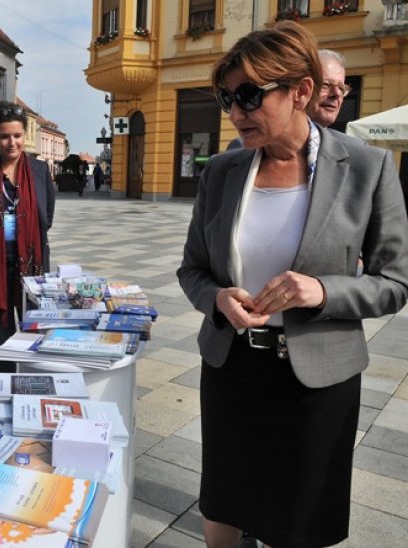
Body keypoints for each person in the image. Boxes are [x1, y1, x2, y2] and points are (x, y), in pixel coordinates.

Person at [177, 22, 408, 548]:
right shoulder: (222, 172)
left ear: (300, 91)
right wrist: (216, 299)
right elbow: (191, 269)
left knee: (298, 520)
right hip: (232, 368)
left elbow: (395, 282)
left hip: (317, 381)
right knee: (225, 499)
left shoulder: (367, 168)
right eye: (226, 98)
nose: (235, 112)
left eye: (249, 96)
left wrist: (322, 293)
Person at [0, 101, 56, 373]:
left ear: (24, 136)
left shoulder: (39, 171)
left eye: (17, 135)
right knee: (2, 337)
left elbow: (46, 218)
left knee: (34, 331)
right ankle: (6, 390)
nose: (11, 142)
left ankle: (30, 389)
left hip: (33, 267)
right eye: (4, 136)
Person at [308, 49, 349, 127]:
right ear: (302, 89)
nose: (337, 94)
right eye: (326, 85)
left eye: (341, 88)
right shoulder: (278, 136)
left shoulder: (348, 139)